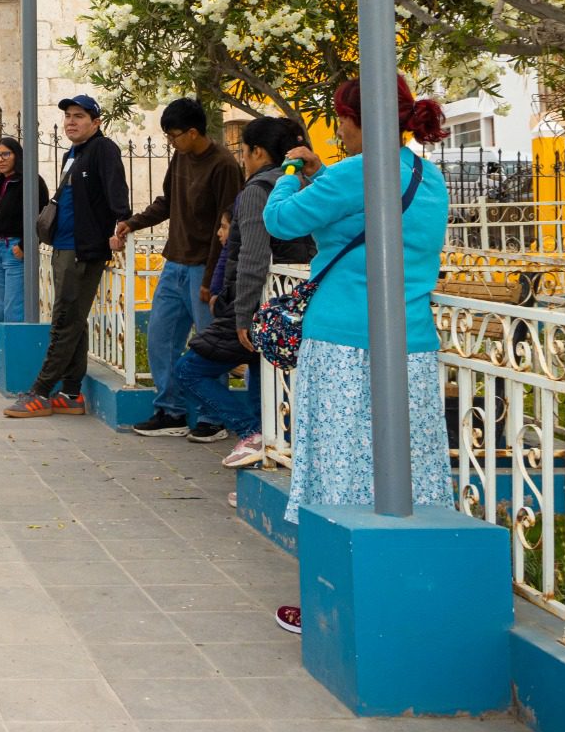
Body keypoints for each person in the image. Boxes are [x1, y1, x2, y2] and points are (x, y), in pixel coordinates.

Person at [263, 75, 452, 635]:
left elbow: (281, 220)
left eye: (340, 119)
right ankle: (407, 596)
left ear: (354, 119)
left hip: (343, 344)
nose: (338, 131)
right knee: (406, 473)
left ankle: (335, 601)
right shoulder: (427, 175)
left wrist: (293, 170)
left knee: (336, 471)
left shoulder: (353, 173)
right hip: (411, 345)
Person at [173, 116, 314, 461]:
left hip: (259, 303)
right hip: (293, 301)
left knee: (189, 371)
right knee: (261, 381)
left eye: (245, 151)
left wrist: (242, 314)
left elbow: (252, 254)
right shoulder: (307, 185)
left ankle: (252, 434)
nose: (243, 159)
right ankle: (267, 451)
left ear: (259, 152)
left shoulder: (257, 190)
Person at [113, 97, 242, 438]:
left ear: (194, 132)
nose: (171, 142)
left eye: (174, 136)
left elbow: (225, 227)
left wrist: (213, 280)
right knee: (160, 337)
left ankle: (214, 419)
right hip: (174, 263)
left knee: (208, 344)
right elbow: (167, 202)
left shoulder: (225, 166)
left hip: (204, 268)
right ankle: (172, 411)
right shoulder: (181, 157)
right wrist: (132, 223)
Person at [4, 95, 132, 417]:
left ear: (96, 122)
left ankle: (40, 391)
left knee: (63, 321)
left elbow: (118, 192)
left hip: (83, 249)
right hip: (64, 246)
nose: (71, 122)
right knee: (74, 321)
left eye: (79, 116)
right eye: (68, 116)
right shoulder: (72, 154)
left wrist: (121, 225)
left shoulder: (104, 149)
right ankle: (72, 393)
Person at [0, 135, 50, 327]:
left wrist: (25, 245)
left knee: (14, 305)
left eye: (6, 154)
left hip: (15, 250)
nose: (0, 159)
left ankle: (14, 350)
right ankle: (4, 348)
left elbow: (42, 217)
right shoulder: (0, 183)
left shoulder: (31, 181)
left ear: (17, 156)